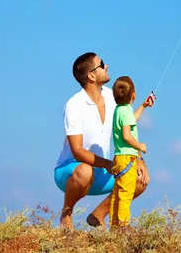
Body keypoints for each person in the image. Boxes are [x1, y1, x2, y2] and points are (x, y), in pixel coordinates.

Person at [53, 52, 153, 229]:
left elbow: (127, 129)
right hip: (71, 170)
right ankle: (66, 213)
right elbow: (77, 151)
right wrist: (107, 163)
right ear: (91, 75)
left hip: (103, 170)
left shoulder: (112, 97)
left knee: (138, 178)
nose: (107, 67)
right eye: (102, 64)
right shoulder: (74, 105)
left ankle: (98, 215)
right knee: (84, 171)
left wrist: (138, 159)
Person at [108, 76, 151, 227]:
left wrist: (143, 106)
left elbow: (131, 120)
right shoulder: (125, 111)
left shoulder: (120, 110)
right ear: (133, 94)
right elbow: (127, 135)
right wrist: (140, 146)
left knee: (117, 194)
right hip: (128, 158)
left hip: (119, 158)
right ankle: (122, 228)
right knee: (126, 194)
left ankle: (114, 227)